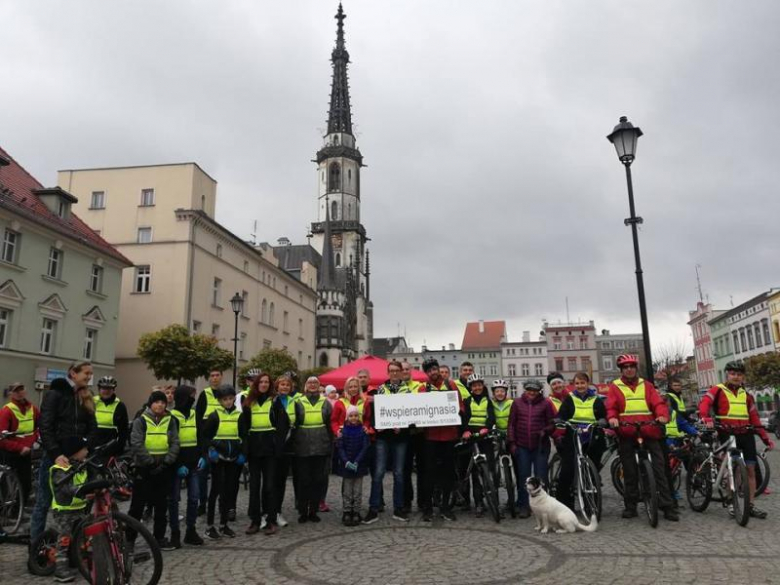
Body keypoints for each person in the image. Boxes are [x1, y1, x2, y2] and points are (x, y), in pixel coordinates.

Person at [606, 354, 678, 522]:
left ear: (636, 368)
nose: (629, 369)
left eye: (632, 366)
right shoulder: (615, 387)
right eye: (626, 367)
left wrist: (662, 416)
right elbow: (611, 406)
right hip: (626, 432)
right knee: (630, 471)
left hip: (649, 430)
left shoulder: (647, 385)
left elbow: (658, 403)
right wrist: (612, 418)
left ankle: (667, 506)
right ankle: (630, 506)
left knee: (660, 468)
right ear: (622, 370)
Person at [698, 361, 774, 519]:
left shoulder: (746, 395)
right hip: (726, 432)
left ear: (743, 377)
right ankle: (731, 502)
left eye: (739, 374)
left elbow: (755, 419)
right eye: (733, 373)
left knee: (751, 470)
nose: (736, 377)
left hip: (745, 434)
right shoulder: (717, 390)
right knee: (732, 469)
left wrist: (766, 439)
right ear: (727, 374)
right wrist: (705, 417)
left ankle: (750, 505)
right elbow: (705, 403)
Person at [31, 361, 96, 542]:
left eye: (91, 374)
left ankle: (71, 549)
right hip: (55, 458)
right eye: (86, 373)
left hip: (77, 459)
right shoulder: (55, 394)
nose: (89, 377)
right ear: (73, 373)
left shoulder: (86, 396)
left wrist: (86, 448)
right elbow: (45, 426)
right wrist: (56, 454)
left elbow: (93, 428)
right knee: (43, 503)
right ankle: (37, 547)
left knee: (74, 504)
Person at [128, 390, 180, 549]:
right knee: (137, 506)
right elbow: (136, 443)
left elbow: (175, 442)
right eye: (157, 402)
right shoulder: (141, 420)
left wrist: (166, 462)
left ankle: (159, 538)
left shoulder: (170, 420)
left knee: (161, 506)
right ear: (151, 403)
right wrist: (150, 463)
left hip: (163, 468)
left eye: (163, 402)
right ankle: (129, 539)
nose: (160, 405)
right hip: (144, 468)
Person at [364, 360, 414, 523]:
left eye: (396, 371)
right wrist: (377, 426)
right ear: (388, 373)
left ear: (401, 372)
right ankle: (373, 508)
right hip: (383, 438)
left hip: (401, 438)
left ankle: (398, 509)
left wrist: (404, 427)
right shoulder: (380, 389)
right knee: (378, 473)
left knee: (399, 474)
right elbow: (374, 414)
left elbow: (412, 414)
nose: (393, 373)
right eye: (391, 371)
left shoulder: (408, 391)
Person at [419, 358, 465, 522]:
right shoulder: (423, 389)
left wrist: (454, 411)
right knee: (429, 474)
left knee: (448, 473)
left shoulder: (451, 386)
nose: (433, 372)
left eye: (435, 369)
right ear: (426, 373)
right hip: (430, 437)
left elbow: (460, 406)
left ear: (439, 369)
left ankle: (446, 507)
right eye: (430, 370)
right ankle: (428, 508)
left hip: (448, 435)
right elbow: (417, 409)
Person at [554, 372, 607, 511]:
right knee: (567, 470)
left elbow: (602, 415)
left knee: (591, 470)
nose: (580, 386)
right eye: (577, 383)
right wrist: (559, 420)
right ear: (574, 385)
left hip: (591, 434)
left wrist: (602, 420)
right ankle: (564, 505)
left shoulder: (596, 399)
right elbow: (562, 414)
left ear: (588, 383)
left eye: (582, 383)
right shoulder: (570, 398)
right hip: (573, 433)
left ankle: (591, 503)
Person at [244, 373, 288, 536]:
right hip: (254, 450)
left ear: (270, 385)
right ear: (256, 384)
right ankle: (255, 520)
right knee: (254, 486)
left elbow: (283, 426)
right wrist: (246, 450)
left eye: (266, 382)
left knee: (270, 486)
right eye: (261, 382)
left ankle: (270, 520)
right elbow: (244, 427)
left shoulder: (275, 402)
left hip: (270, 450)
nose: (263, 384)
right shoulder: (249, 403)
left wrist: (278, 447)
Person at [202, 384, 247, 539]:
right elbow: (205, 436)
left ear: (234, 398)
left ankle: (223, 524)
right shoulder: (214, 416)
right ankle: (209, 526)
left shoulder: (239, 416)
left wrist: (243, 453)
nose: (228, 402)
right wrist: (211, 450)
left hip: (233, 458)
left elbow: (243, 436)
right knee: (215, 491)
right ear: (220, 401)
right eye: (224, 399)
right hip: (218, 458)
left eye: (230, 399)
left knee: (228, 491)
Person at [508, 379, 554, 518]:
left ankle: (543, 506)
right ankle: (524, 505)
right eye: (529, 390)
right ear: (525, 390)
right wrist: (512, 443)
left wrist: (545, 431)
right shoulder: (517, 403)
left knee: (541, 477)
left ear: (539, 391)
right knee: (524, 477)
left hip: (540, 446)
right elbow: (511, 424)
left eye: (534, 391)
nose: (532, 393)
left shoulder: (546, 403)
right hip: (522, 446)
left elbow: (552, 424)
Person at [48, 436, 89, 584]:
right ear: (75, 452)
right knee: (64, 540)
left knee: (82, 536)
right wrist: (83, 491)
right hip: (64, 511)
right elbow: (66, 488)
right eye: (84, 449)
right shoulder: (61, 469)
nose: (87, 451)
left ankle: (76, 558)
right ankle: (60, 569)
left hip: (79, 508)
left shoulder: (82, 465)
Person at [293, 376, 334, 523]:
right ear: (305, 386)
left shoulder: (326, 402)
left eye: (315, 383)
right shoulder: (298, 402)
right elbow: (295, 423)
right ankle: (303, 510)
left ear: (319, 386)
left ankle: (314, 511)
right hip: (302, 446)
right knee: (303, 480)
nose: (312, 385)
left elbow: (330, 424)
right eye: (309, 382)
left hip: (321, 446)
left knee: (318, 480)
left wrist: (331, 444)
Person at [169, 385, 204, 547]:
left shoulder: (195, 414)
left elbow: (201, 436)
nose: (193, 399)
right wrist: (178, 464)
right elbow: (170, 442)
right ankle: (175, 533)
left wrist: (203, 456)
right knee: (174, 499)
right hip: (178, 464)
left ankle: (191, 530)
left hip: (194, 463)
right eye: (191, 395)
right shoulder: (172, 416)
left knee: (194, 498)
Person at [462, 373, 496, 517]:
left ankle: (494, 500)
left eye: (479, 385)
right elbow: (464, 418)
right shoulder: (467, 401)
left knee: (490, 468)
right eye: (474, 385)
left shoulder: (488, 401)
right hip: (472, 436)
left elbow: (491, 416)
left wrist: (487, 427)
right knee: (475, 472)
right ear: (470, 388)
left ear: (483, 386)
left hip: (484, 435)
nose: (477, 387)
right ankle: (479, 503)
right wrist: (465, 431)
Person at [0, 383, 40, 506]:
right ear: (11, 394)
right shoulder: (7, 410)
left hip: (26, 452)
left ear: (25, 391)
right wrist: (20, 447)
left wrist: (34, 440)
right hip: (9, 452)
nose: (19, 392)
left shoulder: (33, 409)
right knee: (5, 483)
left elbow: (39, 427)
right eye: (16, 391)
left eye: (21, 389)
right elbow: (1, 437)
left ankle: (18, 510)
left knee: (25, 483)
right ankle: (4, 510)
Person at [663, 377, 699, 504]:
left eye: (679, 384)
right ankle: (671, 492)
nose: (678, 387)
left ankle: (693, 481)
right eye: (675, 385)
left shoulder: (676, 405)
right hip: (667, 441)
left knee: (686, 459)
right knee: (669, 467)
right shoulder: (670, 397)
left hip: (679, 436)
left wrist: (696, 432)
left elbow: (682, 422)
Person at [195, 369, 224, 515]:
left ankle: (218, 502)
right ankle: (202, 502)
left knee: (219, 476)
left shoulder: (225, 394)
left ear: (221, 377)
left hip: (221, 441)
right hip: (206, 442)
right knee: (202, 474)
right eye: (212, 376)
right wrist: (202, 444)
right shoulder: (204, 394)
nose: (214, 378)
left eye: (217, 375)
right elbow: (198, 419)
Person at [337, 405, 370, 526]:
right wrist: (346, 461)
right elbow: (340, 448)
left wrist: (357, 461)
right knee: (347, 490)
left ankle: (356, 511)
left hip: (359, 465)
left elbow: (365, 446)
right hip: (346, 465)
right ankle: (346, 511)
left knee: (357, 491)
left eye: (356, 415)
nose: (354, 418)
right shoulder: (343, 431)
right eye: (351, 416)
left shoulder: (362, 430)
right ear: (347, 417)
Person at [273, 373, 297, 528]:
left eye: (287, 385)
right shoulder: (271, 402)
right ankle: (267, 512)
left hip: (287, 447)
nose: (285, 387)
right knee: (270, 482)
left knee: (281, 481)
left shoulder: (294, 402)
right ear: (277, 386)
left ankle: (277, 512)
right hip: (273, 446)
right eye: (282, 384)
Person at [401, 360, 424, 512]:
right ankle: (407, 501)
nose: (405, 372)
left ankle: (422, 502)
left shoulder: (420, 386)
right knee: (405, 469)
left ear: (411, 371)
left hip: (420, 433)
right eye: (402, 370)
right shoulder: (395, 388)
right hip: (403, 434)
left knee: (422, 469)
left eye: (407, 369)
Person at [92, 376, 129, 460]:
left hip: (111, 448)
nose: (106, 391)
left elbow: (123, 430)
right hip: (92, 447)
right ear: (99, 389)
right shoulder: (92, 402)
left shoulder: (120, 405)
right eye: (104, 388)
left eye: (109, 388)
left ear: (113, 390)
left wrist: (119, 449)